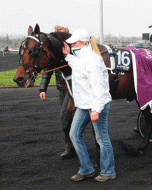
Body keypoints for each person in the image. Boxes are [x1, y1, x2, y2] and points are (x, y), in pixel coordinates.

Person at [62, 29, 116, 182]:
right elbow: (77, 65)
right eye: (71, 43)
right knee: (74, 134)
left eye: (74, 43)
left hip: (97, 104)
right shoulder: (80, 58)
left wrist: (96, 109)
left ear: (84, 43)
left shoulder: (92, 59)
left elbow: (98, 86)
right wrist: (68, 56)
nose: (72, 45)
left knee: (101, 137)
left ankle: (108, 171)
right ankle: (86, 168)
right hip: (84, 105)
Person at [39, 25, 75, 158]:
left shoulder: (71, 51)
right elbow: (46, 72)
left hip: (73, 88)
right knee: (65, 118)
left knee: (65, 116)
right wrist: (43, 88)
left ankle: (74, 144)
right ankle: (69, 147)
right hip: (62, 88)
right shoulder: (53, 54)